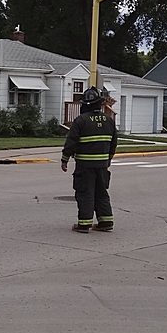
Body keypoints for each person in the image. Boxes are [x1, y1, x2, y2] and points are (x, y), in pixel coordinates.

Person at [61, 86, 118, 233]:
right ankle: (106, 221)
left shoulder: (80, 121)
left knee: (85, 192)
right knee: (101, 192)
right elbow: (114, 141)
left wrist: (64, 159)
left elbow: (71, 141)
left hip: (85, 165)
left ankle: (84, 223)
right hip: (102, 165)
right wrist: (109, 157)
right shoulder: (109, 120)